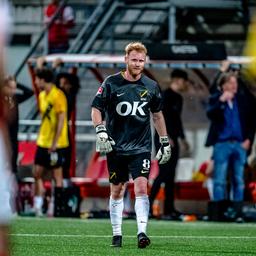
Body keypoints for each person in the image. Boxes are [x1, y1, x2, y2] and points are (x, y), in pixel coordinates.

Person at [91, 42, 171, 248]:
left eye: (141, 61)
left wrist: (164, 142)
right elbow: (96, 108)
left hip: (141, 147)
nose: (137, 64)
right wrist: (100, 130)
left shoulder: (151, 86)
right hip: (116, 147)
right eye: (134, 60)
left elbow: (158, 116)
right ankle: (117, 234)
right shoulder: (111, 83)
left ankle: (141, 233)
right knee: (117, 190)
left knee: (142, 186)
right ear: (126, 59)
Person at [205, 72, 256, 222]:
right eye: (230, 83)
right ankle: (220, 213)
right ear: (223, 85)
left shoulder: (243, 100)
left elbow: (252, 120)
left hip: (240, 144)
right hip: (222, 144)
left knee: (238, 179)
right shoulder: (216, 98)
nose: (234, 86)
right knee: (219, 179)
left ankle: (237, 212)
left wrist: (249, 140)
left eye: (235, 83)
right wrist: (221, 101)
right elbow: (210, 115)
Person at [149, 69, 189, 220]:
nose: (185, 85)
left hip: (174, 140)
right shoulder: (164, 96)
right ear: (178, 80)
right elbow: (158, 117)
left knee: (171, 175)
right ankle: (148, 206)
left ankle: (169, 209)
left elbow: (177, 120)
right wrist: (165, 137)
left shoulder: (179, 98)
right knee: (163, 173)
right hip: (163, 139)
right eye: (184, 81)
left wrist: (182, 138)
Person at [33, 68, 69, 216]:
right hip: (43, 141)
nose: (35, 82)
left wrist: (54, 142)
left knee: (57, 176)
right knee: (37, 174)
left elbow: (61, 120)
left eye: (37, 79)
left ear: (42, 80)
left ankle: (57, 208)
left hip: (58, 143)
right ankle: (38, 205)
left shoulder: (58, 95)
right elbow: (44, 119)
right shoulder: (42, 96)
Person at [3, 76, 34, 176]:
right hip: (3, 139)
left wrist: (18, 84)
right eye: (10, 88)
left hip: (13, 139)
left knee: (12, 167)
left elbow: (30, 92)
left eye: (14, 89)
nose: (12, 91)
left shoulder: (15, 99)